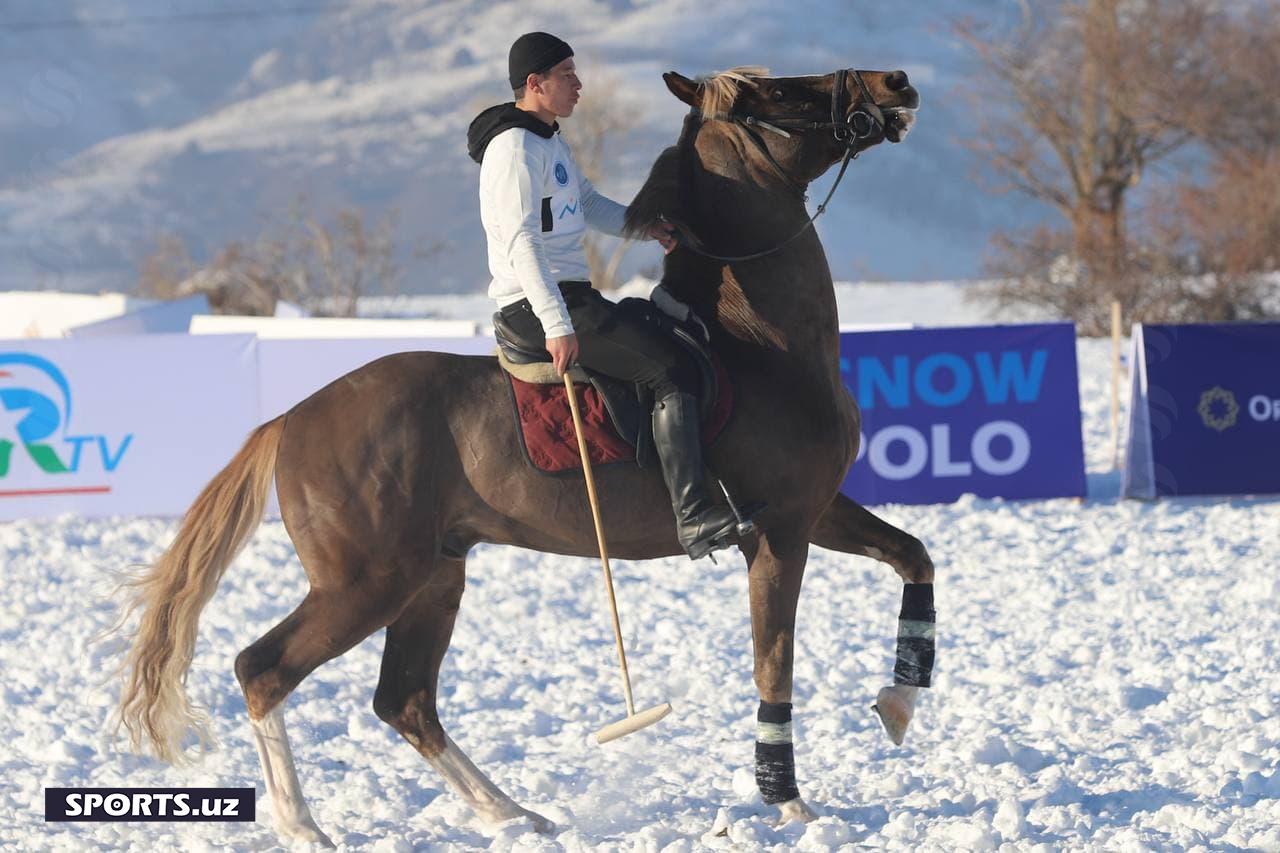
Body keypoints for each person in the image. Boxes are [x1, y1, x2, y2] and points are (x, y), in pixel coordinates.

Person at [466, 31, 741, 560]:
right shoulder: (514, 148)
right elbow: (522, 241)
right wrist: (556, 324)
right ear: (534, 83)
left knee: (667, 330)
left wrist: (647, 228)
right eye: (566, 74)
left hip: (572, 297)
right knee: (668, 369)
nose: (579, 83)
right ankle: (694, 516)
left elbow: (587, 204)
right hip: (535, 306)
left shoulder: (548, 138)